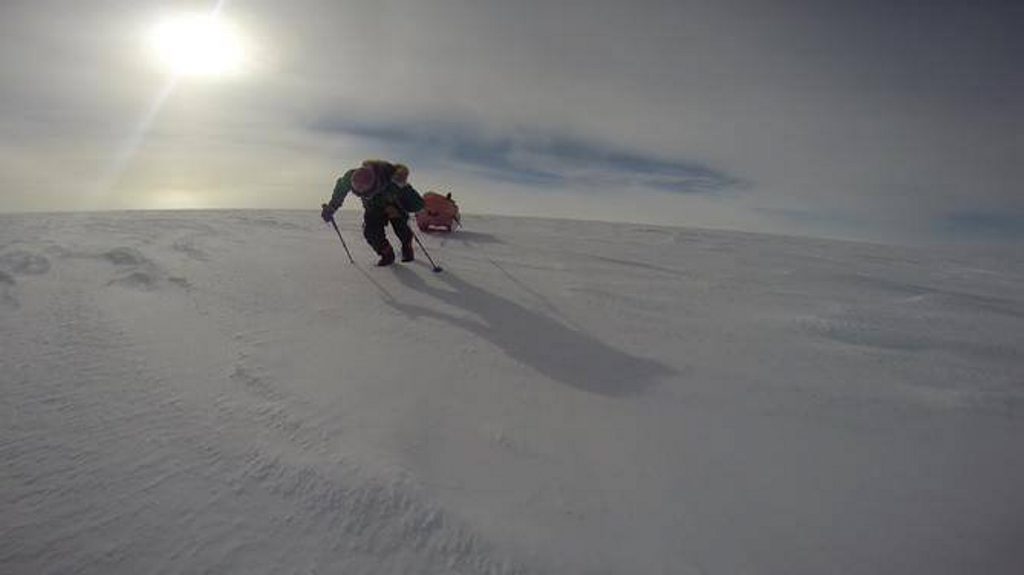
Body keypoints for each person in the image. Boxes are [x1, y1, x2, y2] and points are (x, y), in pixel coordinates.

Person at [321, 160, 424, 266]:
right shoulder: (350, 177)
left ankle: (406, 246)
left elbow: (418, 204)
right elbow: (341, 190)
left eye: (365, 191)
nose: (362, 193)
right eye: (357, 190)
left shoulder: (392, 182)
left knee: (401, 227)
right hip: (373, 206)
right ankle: (387, 253)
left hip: (394, 204)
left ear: (373, 184)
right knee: (371, 232)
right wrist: (332, 207)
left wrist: (403, 190)